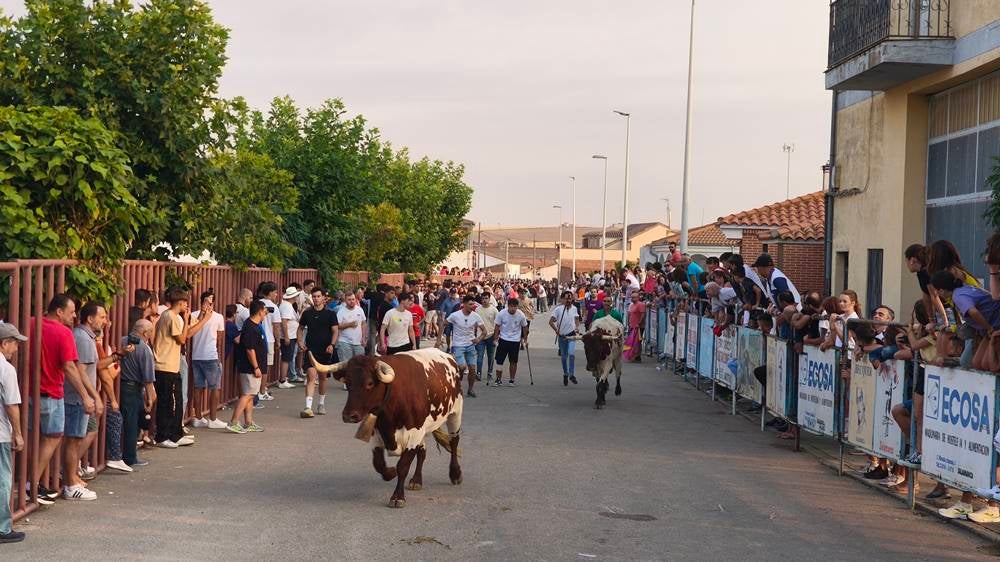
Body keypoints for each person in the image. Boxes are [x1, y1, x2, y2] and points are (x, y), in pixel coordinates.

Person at [32, 295, 90, 505]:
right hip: (51, 393)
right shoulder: (64, 333)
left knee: (32, 438)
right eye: (72, 311)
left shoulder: (31, 323)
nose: (75, 316)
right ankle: (33, 482)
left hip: (28, 392)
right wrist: (85, 395)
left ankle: (29, 482)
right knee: (53, 437)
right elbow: (69, 366)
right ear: (59, 311)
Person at [153, 287, 209, 449]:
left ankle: (175, 433)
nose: (187, 305)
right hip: (165, 365)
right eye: (185, 302)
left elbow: (187, 334)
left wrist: (202, 320)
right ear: (180, 302)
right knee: (168, 403)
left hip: (170, 365)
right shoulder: (171, 316)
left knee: (174, 401)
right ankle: (164, 435)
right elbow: (183, 339)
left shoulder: (171, 316)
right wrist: (190, 320)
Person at [69, 302, 117, 487]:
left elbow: (90, 367)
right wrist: (93, 396)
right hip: (79, 397)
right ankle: (70, 475)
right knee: (77, 438)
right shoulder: (82, 338)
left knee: (84, 433)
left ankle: (72, 472)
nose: (106, 321)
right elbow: (80, 370)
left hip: (81, 396)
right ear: (90, 319)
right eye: (102, 317)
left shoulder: (86, 337)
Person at [118, 319, 156, 469]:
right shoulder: (144, 349)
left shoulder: (121, 340)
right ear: (145, 332)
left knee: (128, 420)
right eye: (151, 332)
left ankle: (122, 452)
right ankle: (130, 457)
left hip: (120, 385)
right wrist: (150, 397)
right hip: (134, 388)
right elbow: (148, 378)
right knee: (132, 424)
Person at [0, 323, 26, 543]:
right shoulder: (6, 369)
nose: (16, 348)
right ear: (4, 343)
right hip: (0, 433)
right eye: (14, 343)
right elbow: (11, 404)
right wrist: (17, 434)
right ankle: (2, 528)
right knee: (3, 479)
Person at [298, 287, 339, 418]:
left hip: (325, 350)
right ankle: (307, 407)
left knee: (322, 378)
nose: (316, 299)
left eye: (318, 296)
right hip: (310, 349)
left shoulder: (330, 313)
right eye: (314, 296)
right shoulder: (307, 313)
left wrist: (332, 345)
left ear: (323, 298)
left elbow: (335, 331)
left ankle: (321, 403)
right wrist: (299, 341)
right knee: (311, 376)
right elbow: (300, 328)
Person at [190, 290, 226, 429]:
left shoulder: (193, 315)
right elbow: (219, 338)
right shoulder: (218, 317)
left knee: (198, 387)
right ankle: (213, 418)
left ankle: (199, 417)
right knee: (214, 388)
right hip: (210, 356)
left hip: (196, 356)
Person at [230, 300, 267, 434]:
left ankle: (248, 422)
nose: (266, 313)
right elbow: (250, 349)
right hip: (250, 368)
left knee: (250, 395)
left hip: (252, 367)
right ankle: (234, 421)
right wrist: (256, 367)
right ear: (260, 311)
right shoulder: (251, 327)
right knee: (247, 395)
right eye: (265, 311)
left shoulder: (253, 325)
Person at [441, 295, 485, 398]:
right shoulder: (455, 315)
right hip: (458, 345)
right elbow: (443, 324)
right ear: (464, 304)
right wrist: (439, 339)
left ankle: (470, 389)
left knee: (472, 369)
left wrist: (478, 339)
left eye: (473, 304)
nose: (472, 306)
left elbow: (484, 331)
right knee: (462, 366)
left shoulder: (475, 316)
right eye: (470, 304)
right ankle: (458, 380)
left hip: (470, 345)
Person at [491, 297, 528, 387]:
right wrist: (495, 339)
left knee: (513, 361)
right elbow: (497, 326)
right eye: (511, 306)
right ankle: (498, 379)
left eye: (515, 306)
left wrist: (525, 340)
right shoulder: (502, 313)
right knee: (499, 360)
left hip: (515, 341)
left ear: (517, 306)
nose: (513, 308)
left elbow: (525, 327)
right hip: (503, 339)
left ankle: (512, 380)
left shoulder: (521, 315)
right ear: (508, 306)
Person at [550, 291, 582, 386]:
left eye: (570, 298)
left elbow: (576, 319)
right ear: (562, 299)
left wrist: (577, 327)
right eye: (566, 298)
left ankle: (571, 374)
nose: (568, 300)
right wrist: (556, 330)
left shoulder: (574, 308)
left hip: (571, 335)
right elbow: (551, 321)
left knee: (571, 354)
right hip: (562, 336)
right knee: (564, 357)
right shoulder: (558, 309)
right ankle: (565, 373)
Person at [279, 286, 303, 385]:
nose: (297, 297)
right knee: (286, 358)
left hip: (291, 336)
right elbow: (284, 322)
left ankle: (284, 379)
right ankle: (283, 380)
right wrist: (286, 336)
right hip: (289, 336)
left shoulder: (287, 305)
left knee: (287, 358)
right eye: (297, 295)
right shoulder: (287, 306)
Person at [336, 291, 368, 364]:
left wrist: (364, 337)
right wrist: (349, 324)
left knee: (360, 364)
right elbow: (337, 326)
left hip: (358, 342)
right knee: (347, 365)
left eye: (353, 299)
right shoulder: (341, 311)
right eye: (349, 300)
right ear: (345, 301)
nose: (352, 301)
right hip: (344, 342)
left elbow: (363, 323)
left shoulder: (359, 309)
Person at [476, 295, 499, 383]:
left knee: (491, 356)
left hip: (491, 335)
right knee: (480, 355)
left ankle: (489, 373)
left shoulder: (494, 310)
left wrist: (496, 337)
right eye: (483, 299)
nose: (484, 300)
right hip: (480, 336)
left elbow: (498, 324)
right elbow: (475, 322)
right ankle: (478, 373)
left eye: (486, 298)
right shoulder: (478, 310)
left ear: (489, 299)